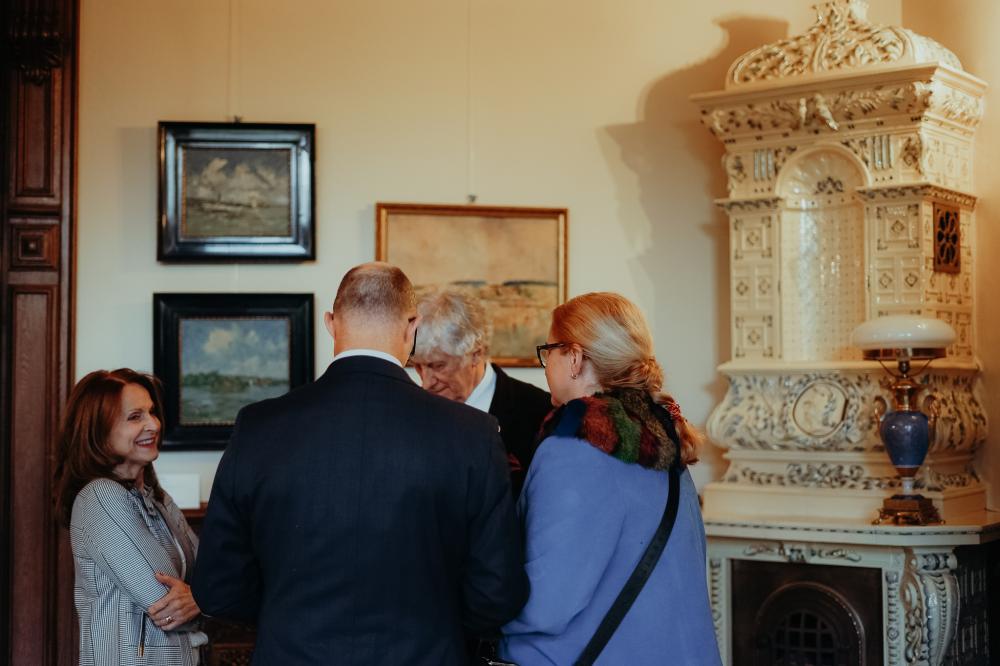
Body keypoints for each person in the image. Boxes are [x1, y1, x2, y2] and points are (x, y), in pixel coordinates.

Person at [192, 262, 528, 665]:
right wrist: (435, 623)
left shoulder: (258, 426)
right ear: (412, 327)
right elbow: (497, 593)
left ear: (331, 324)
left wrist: (290, 617)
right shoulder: (472, 433)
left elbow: (217, 588)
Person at [500, 292, 722, 665]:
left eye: (548, 351)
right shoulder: (664, 437)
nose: (546, 363)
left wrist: (473, 607)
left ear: (574, 358)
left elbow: (546, 605)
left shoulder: (575, 448)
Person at [54, 368, 206, 666]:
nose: (154, 424)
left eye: (152, 412)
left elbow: (208, 571)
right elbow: (166, 604)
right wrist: (207, 600)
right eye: (135, 417)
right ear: (98, 430)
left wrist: (199, 599)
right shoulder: (100, 496)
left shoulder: (158, 498)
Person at [411, 290, 552, 497]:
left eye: (438, 366)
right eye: (418, 367)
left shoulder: (540, 412)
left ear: (476, 354)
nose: (426, 382)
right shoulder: (412, 413)